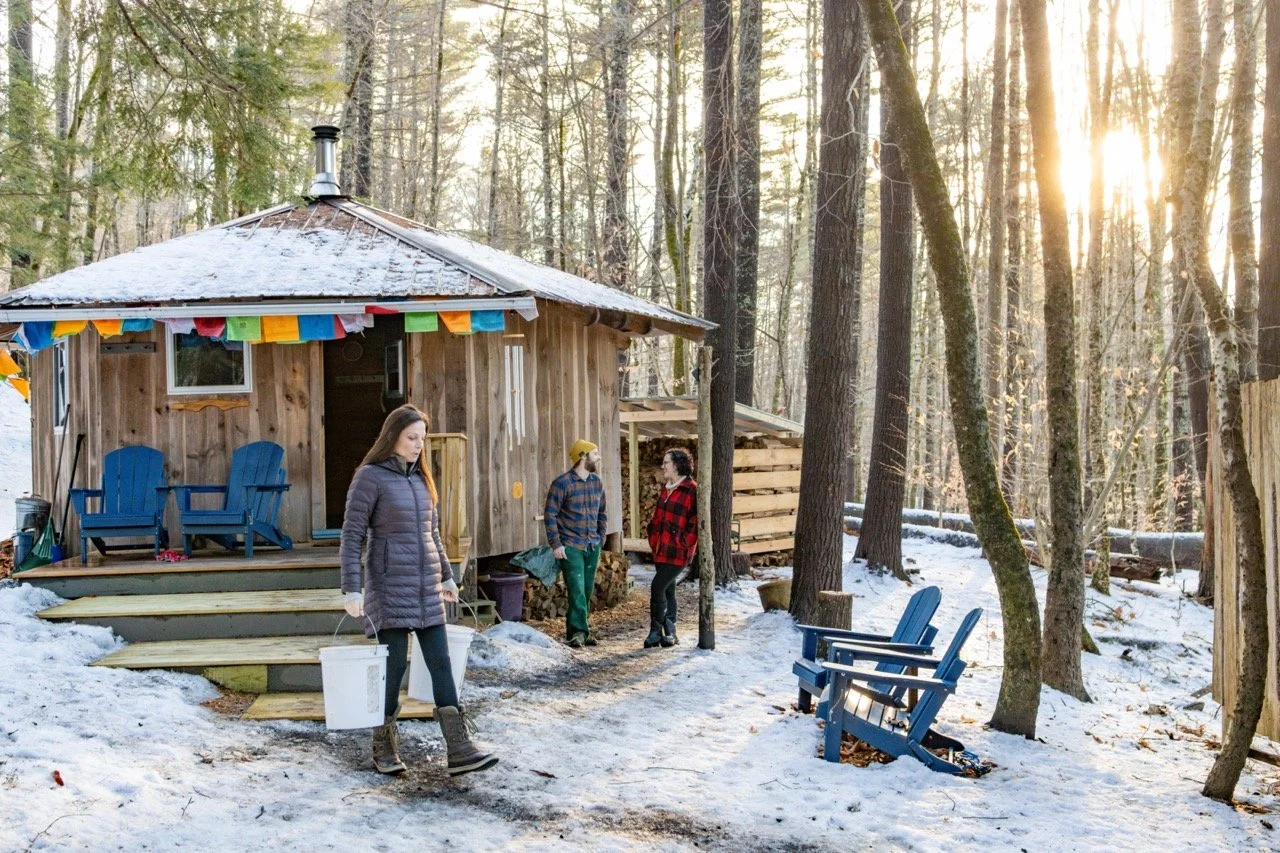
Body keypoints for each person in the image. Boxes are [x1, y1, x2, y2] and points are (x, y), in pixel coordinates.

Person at [339, 404, 498, 777]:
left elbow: (433, 534)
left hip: (426, 586)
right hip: (389, 586)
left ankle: (459, 748)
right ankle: (384, 746)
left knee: (442, 663)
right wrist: (351, 588)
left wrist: (446, 575)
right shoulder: (370, 477)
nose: (418, 445)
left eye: (422, 439)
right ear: (392, 436)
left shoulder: (422, 479)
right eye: (412, 438)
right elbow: (351, 535)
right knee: (393, 668)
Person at [544, 439, 608, 648]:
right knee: (577, 590)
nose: (598, 457)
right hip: (571, 545)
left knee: (587, 589)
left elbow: (602, 513)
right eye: (595, 453)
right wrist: (556, 544)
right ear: (582, 456)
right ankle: (579, 632)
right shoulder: (562, 484)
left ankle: (578, 631)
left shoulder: (596, 483)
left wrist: (601, 537)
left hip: (592, 545)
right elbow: (550, 515)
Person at [645, 448, 698, 648]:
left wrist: (683, 542)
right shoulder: (666, 488)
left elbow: (695, 522)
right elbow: (657, 518)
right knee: (668, 590)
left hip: (678, 552)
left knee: (657, 586)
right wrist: (652, 535)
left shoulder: (691, 489)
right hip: (661, 549)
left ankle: (655, 632)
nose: (663, 466)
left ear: (676, 465)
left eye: (666, 463)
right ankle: (671, 633)